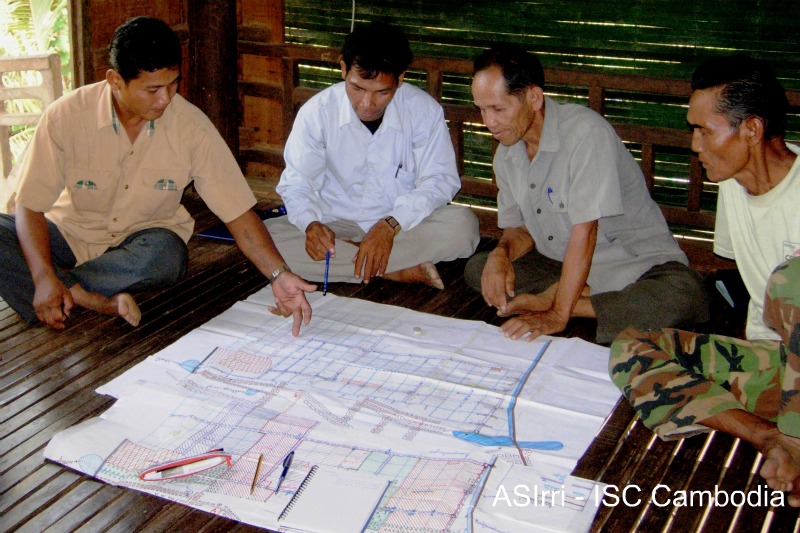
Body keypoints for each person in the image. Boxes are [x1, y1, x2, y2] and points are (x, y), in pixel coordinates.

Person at [0, 16, 315, 336]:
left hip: (141, 245)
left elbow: (238, 214)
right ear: (115, 80)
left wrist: (279, 275)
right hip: (69, 234)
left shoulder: (191, 126)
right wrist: (42, 275)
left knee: (167, 257)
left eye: (173, 83)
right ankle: (84, 296)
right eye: (153, 89)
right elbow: (30, 205)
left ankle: (63, 291)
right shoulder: (66, 116)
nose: (166, 98)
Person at [610, 55, 800, 506]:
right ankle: (770, 437)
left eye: (703, 130)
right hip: (779, 369)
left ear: (751, 129)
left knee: (793, 280)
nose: (695, 144)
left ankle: (792, 441)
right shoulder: (732, 183)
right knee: (631, 347)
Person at [465, 45, 708, 344]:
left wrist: (558, 313)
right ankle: (579, 294)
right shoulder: (507, 153)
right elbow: (520, 229)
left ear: (534, 97)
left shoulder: (585, 134)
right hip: (560, 261)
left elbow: (586, 232)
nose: (489, 122)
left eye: (498, 109)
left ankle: (565, 300)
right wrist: (501, 254)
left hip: (631, 262)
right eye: (481, 109)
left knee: (684, 295)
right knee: (480, 269)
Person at [266, 21, 479, 289]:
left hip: (400, 227)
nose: (367, 104)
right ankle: (394, 269)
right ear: (343, 69)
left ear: (400, 78)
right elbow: (298, 182)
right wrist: (311, 226)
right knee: (268, 238)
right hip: (334, 224)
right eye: (357, 88)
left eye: (382, 92)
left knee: (463, 227)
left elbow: (439, 181)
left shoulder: (423, 111)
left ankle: (358, 260)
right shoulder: (317, 112)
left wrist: (389, 225)